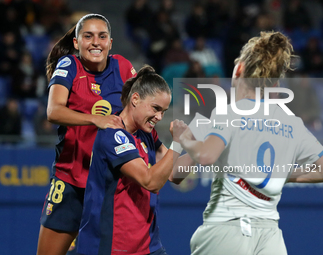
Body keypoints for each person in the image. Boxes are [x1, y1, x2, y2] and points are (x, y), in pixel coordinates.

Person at [173, 31, 323, 255]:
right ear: (275, 83)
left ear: (239, 70)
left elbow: (183, 169)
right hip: (271, 238)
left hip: (226, 230)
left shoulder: (226, 114)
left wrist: (183, 140)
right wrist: (279, 174)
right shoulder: (292, 124)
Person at [36, 14, 137, 255]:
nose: (95, 42)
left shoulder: (123, 66)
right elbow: (53, 111)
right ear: (76, 42)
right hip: (70, 181)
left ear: (110, 43)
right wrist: (95, 119)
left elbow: (139, 107)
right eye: (88, 36)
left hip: (109, 185)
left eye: (102, 36)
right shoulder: (69, 65)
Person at [77, 65, 192, 255]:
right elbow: (150, 181)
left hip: (149, 247)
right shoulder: (112, 135)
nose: (159, 117)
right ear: (135, 99)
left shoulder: (146, 133)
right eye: (156, 109)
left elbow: (174, 174)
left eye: (163, 111)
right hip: (110, 248)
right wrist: (177, 143)